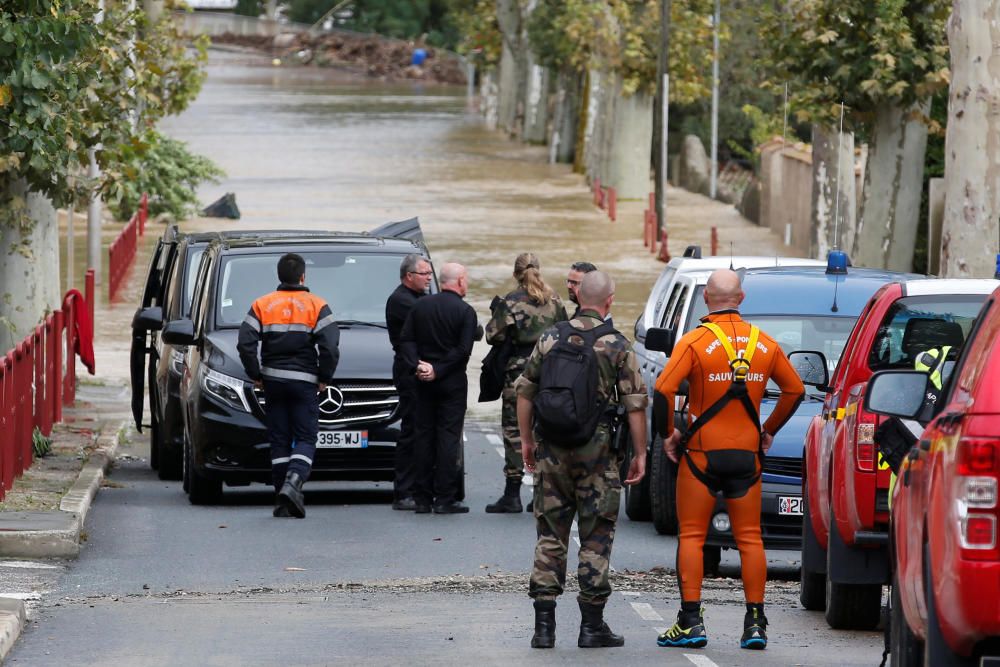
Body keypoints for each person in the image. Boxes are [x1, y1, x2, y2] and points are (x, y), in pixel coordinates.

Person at [653, 269, 804, 650]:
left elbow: (663, 388)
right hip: (747, 457)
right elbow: (795, 389)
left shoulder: (694, 341)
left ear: (706, 297)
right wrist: (768, 429)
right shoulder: (765, 344)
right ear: (742, 298)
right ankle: (755, 624)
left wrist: (668, 434)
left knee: (692, 535)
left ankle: (690, 622)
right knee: (750, 539)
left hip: (702, 455)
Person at [516, 270, 648, 649]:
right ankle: (592, 627)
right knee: (596, 537)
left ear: (578, 298)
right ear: (610, 301)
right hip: (598, 456)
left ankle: (544, 628)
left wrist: (527, 442)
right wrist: (639, 454)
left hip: (552, 451)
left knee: (550, 535)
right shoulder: (618, 345)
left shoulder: (551, 337)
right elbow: (635, 406)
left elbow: (525, 391)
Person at [237, 253, 340, 519]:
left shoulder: (262, 304)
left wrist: (255, 374)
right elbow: (329, 347)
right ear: (303, 276)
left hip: (272, 381)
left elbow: (245, 344)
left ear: (279, 276)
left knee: (279, 440)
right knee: (306, 438)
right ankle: (294, 482)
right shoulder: (317, 305)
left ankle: (282, 500)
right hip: (305, 382)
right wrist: (325, 377)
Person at [484, 253, 568, 514]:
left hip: (518, 374)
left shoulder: (510, 301)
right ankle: (540, 492)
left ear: (515, 273)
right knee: (543, 430)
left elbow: (492, 335)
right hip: (548, 372)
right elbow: (565, 330)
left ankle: (512, 493)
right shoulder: (554, 300)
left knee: (514, 431)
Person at [400, 262, 478, 514]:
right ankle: (444, 498)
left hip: (422, 382)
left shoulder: (420, 306)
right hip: (451, 382)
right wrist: (439, 370)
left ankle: (422, 497)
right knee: (448, 437)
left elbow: (407, 340)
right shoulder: (465, 312)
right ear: (459, 281)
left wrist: (419, 366)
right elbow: (463, 350)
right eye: (466, 279)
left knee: (423, 436)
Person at [385, 254, 433, 511]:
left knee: (421, 429)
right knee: (411, 430)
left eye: (429, 273)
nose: (428, 278)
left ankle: (420, 486)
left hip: (418, 369)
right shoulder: (401, 300)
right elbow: (429, 322)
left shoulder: (417, 298)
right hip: (409, 371)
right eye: (424, 274)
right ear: (409, 276)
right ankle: (403, 491)